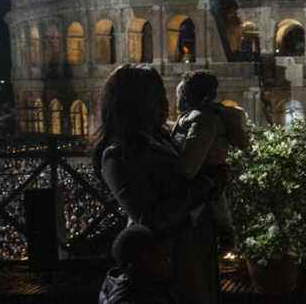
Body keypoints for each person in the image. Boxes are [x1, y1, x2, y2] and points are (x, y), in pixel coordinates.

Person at [93, 64, 228, 304]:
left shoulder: (162, 137)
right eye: (157, 96)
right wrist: (206, 184)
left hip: (194, 246)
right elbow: (149, 217)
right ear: (136, 102)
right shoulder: (117, 155)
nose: (166, 102)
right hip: (162, 259)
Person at [172, 70, 249, 239]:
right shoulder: (197, 118)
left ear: (187, 95)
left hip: (201, 199)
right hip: (205, 193)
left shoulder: (203, 121)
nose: (176, 98)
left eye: (179, 93)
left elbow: (188, 167)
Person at [99, 224, 178, 304]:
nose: (167, 262)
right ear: (135, 266)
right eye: (157, 257)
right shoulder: (129, 299)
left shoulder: (144, 284)